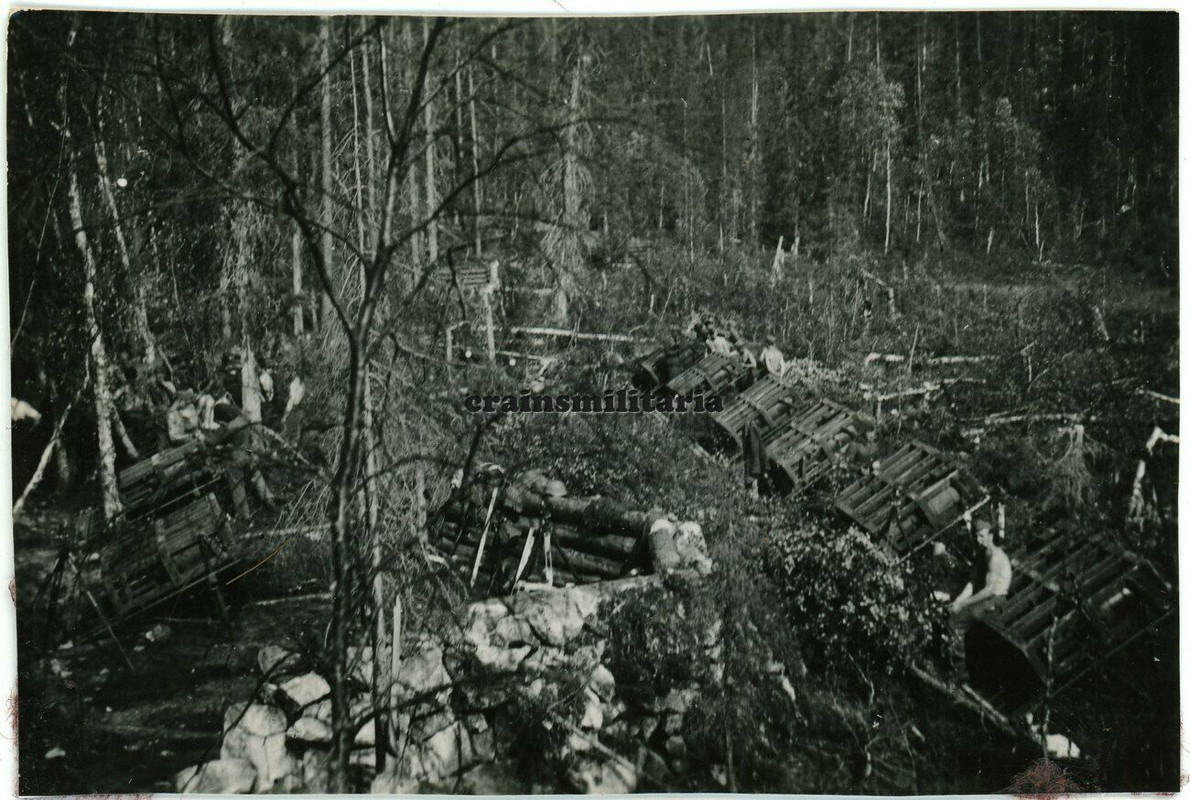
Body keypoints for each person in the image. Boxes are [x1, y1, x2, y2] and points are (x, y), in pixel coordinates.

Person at [950, 519, 1012, 682]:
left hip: (995, 600)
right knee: (954, 612)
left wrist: (964, 604)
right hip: (986, 598)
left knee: (957, 622)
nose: (979, 541)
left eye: (982, 536)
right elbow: (973, 582)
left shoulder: (995, 557)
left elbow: (989, 589)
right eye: (977, 537)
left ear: (991, 536)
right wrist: (959, 599)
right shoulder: (981, 555)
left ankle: (960, 673)